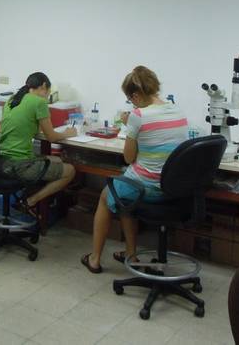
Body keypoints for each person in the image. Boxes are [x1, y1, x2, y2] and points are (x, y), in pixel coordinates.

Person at [81, 66, 188, 273]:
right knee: (124, 190)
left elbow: (129, 158)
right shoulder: (178, 110)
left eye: (130, 99)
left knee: (106, 195)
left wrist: (130, 125)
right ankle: (131, 255)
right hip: (174, 189)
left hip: (149, 188)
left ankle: (94, 259)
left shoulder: (139, 115)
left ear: (136, 96)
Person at [0, 72, 78, 210]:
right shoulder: (39, 102)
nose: (47, 97)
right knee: (70, 170)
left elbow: (31, 129)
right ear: (44, 86)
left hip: (1, 161)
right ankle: (31, 201)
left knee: (57, 159)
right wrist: (67, 133)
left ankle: (30, 199)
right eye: (48, 93)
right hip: (19, 164)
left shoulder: (12, 99)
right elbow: (52, 137)